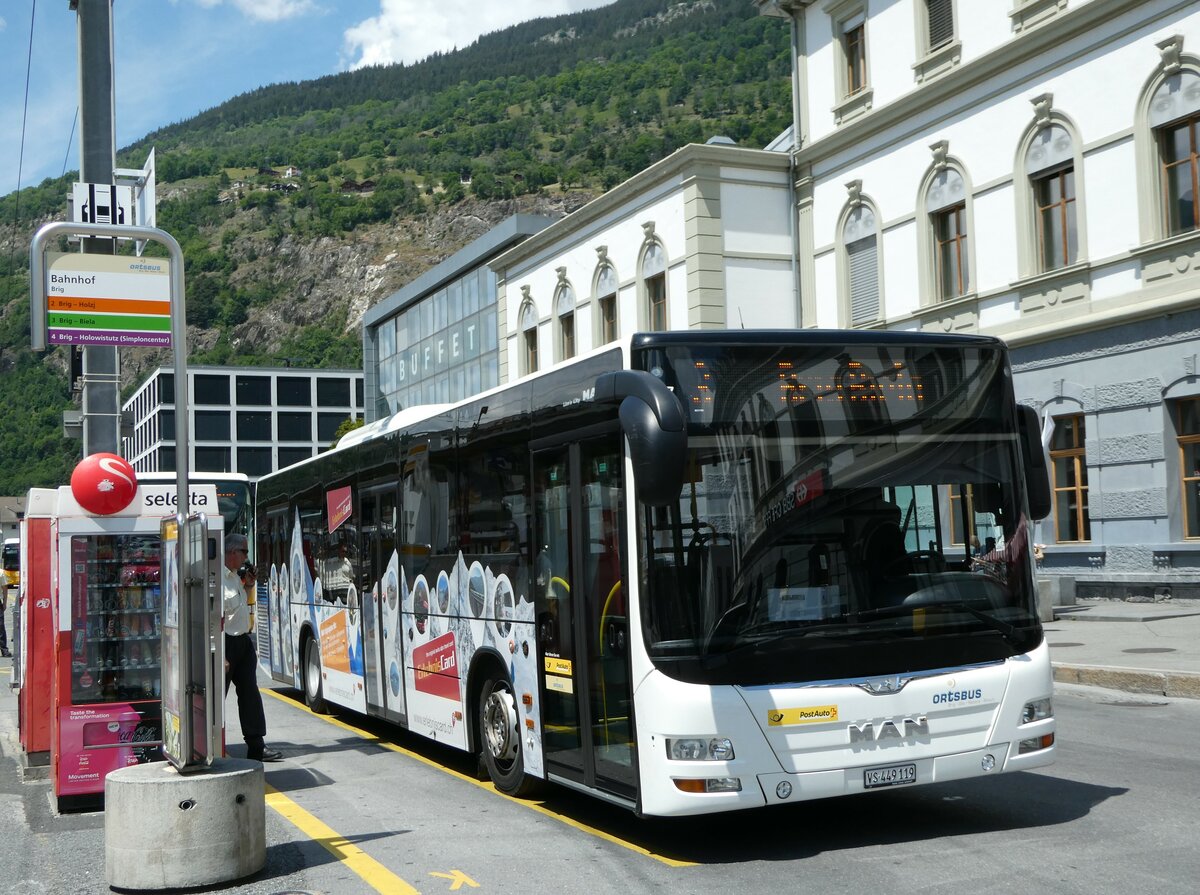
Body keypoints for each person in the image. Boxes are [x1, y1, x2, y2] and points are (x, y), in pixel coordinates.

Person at [223, 534, 282, 762]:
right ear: (232, 553)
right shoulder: (218, 577)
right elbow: (212, 618)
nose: (247, 557)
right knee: (217, 700)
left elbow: (240, 606)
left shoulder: (235, 578)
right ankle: (212, 746)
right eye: (244, 552)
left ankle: (256, 746)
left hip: (242, 642)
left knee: (250, 695)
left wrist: (248, 585)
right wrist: (219, 654)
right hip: (225, 643)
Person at [0, 575, 10, 658]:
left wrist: (4, 603)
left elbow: (5, 589)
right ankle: (4, 650)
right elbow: (5, 589)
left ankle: (4, 650)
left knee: (0, 627)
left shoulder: (1, 573)